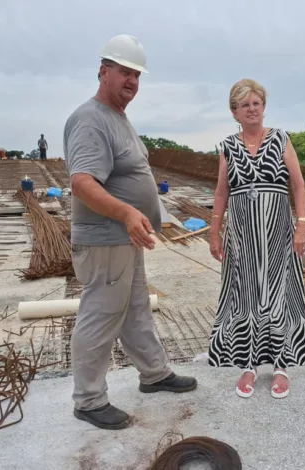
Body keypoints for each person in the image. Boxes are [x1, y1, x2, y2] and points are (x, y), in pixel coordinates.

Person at [62, 34, 197, 430]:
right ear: (103, 71)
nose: (132, 82)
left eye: (137, 75)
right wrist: (126, 212)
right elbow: (82, 183)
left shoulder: (117, 117)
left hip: (124, 238)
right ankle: (88, 400)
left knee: (135, 307)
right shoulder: (90, 119)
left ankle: (154, 374)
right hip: (104, 240)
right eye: (124, 72)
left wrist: (149, 214)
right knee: (101, 314)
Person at [207, 78, 305, 399]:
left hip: (277, 231)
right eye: (245, 105)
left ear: (264, 107)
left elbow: (298, 185)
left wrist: (302, 225)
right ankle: (249, 364)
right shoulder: (228, 146)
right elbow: (221, 192)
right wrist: (214, 233)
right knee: (245, 295)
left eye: (256, 103)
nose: (252, 109)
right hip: (242, 234)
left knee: (281, 293)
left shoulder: (280, 139)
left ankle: (281, 365)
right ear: (235, 112)